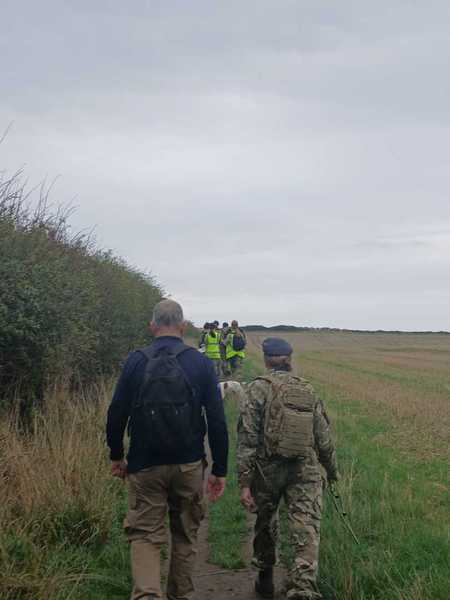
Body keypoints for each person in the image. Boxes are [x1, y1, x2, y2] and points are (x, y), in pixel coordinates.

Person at [106, 299, 229, 600]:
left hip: (144, 464)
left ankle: (147, 594)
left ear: (152, 326)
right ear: (183, 327)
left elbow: (117, 412)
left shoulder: (135, 361)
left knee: (145, 535)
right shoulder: (201, 363)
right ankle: (179, 595)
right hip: (188, 464)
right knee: (185, 535)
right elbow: (217, 420)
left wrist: (116, 455)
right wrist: (219, 469)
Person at [237, 337, 338, 600]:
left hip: (267, 469)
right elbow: (323, 438)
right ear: (289, 359)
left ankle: (265, 579)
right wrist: (331, 470)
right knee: (306, 526)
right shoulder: (308, 389)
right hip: (305, 468)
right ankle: (303, 588)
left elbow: (247, 438)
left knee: (265, 521)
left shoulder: (256, 389)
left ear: (266, 359)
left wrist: (245, 482)